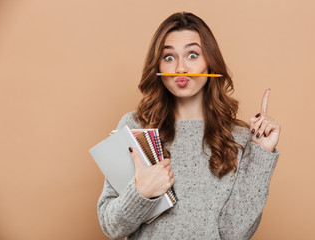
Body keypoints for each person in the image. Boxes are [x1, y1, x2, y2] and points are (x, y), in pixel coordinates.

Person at [97, 12, 280, 240]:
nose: (181, 68)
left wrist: (262, 153)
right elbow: (111, 227)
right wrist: (141, 193)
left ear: (210, 62)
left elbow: (235, 233)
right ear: (158, 66)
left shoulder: (240, 137)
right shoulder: (135, 127)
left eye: (192, 55)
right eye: (169, 57)